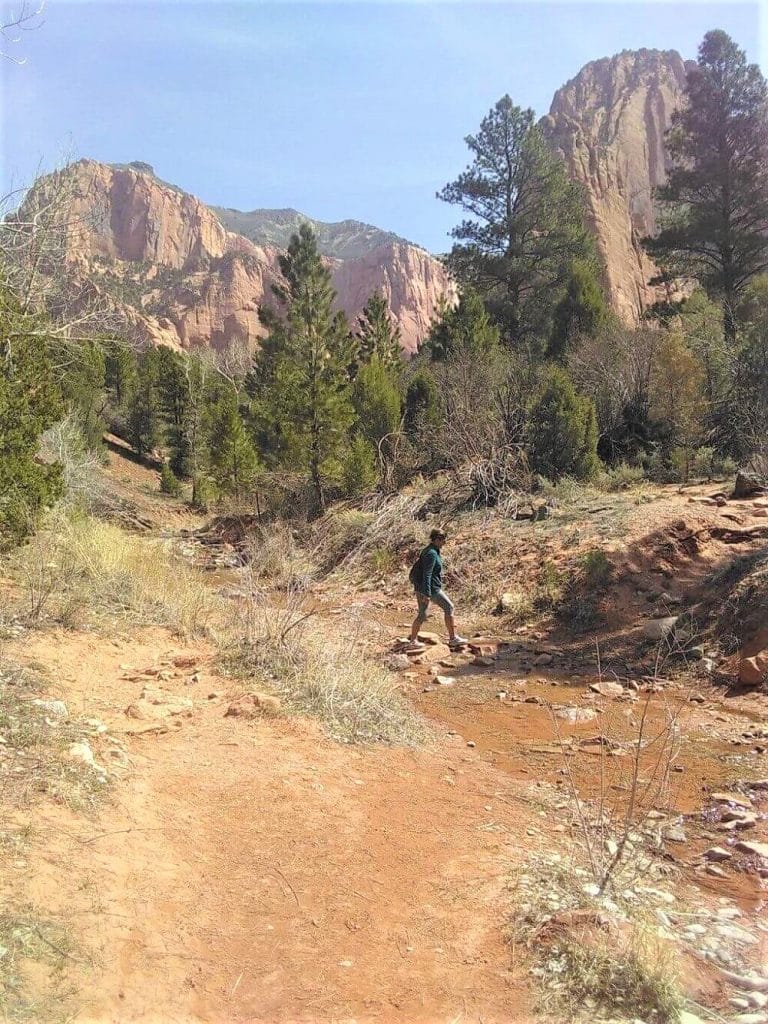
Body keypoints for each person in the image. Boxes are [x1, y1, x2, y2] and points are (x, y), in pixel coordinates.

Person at [408, 528, 466, 651]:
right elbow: (427, 574)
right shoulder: (431, 553)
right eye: (443, 540)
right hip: (430, 589)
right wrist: (427, 593)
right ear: (437, 539)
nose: (444, 543)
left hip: (423, 588)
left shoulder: (431, 550)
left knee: (423, 614)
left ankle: (413, 641)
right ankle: (453, 638)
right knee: (449, 607)